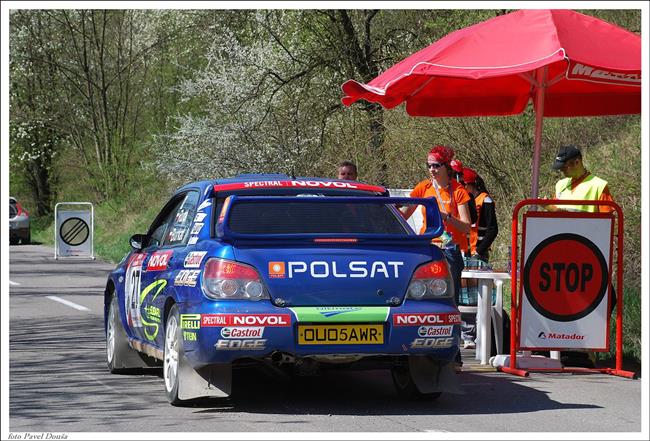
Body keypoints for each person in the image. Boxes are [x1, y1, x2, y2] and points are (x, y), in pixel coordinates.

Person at [400, 145, 472, 363]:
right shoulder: (423, 187)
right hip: (428, 249)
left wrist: (446, 217)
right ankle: (424, 348)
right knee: (423, 299)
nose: (431, 170)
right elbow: (404, 214)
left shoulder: (458, 190)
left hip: (450, 251)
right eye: (429, 165)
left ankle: (454, 355)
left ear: (446, 166)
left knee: (450, 301)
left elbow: (467, 227)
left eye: (436, 165)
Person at [546, 145, 615, 368]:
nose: (562, 173)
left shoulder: (599, 185)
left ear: (577, 162)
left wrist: (570, 212)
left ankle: (587, 351)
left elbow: (608, 219)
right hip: (562, 250)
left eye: (564, 167)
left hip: (590, 253)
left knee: (600, 298)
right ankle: (564, 348)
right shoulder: (561, 185)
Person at [462, 167, 498, 262]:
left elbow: (493, 229)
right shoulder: (463, 201)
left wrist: (479, 251)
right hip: (463, 251)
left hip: (478, 254)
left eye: (463, 185)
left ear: (468, 185)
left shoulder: (485, 200)